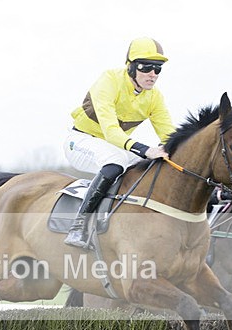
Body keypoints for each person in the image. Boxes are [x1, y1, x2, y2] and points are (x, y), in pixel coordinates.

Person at [63, 37, 176, 248]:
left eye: (158, 69)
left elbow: (169, 135)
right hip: (81, 141)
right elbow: (112, 132)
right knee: (116, 162)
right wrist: (145, 149)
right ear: (131, 67)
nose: (152, 74)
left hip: (112, 146)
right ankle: (78, 226)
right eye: (146, 67)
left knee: (153, 165)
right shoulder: (109, 80)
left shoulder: (154, 97)